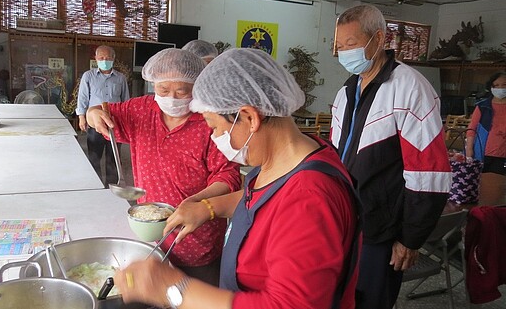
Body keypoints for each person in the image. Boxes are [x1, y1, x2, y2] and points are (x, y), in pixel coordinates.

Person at [111, 48, 360, 309]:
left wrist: (174, 288)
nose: (216, 139)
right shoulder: (288, 160)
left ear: (250, 117)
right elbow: (266, 201)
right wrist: (209, 208)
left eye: (216, 127)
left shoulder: (309, 197)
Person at [331, 4, 452, 309]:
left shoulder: (409, 88)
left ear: (379, 39)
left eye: (352, 44)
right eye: (340, 46)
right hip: (343, 221)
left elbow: (430, 174)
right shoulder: (346, 91)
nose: (345, 52)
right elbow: (336, 154)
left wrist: (411, 238)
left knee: (370, 301)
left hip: (380, 230)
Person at [86, 48, 241, 285]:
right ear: (153, 85)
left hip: (196, 238)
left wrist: (196, 202)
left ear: (197, 87)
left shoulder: (210, 120)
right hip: (150, 233)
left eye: (182, 91)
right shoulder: (141, 110)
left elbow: (228, 176)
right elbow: (98, 111)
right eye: (163, 90)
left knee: (193, 295)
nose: (172, 98)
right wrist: (93, 114)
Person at [76, 45, 130, 185]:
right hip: (95, 122)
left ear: (113, 59)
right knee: (94, 155)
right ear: (96, 59)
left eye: (108, 58)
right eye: (101, 58)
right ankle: (95, 184)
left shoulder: (120, 78)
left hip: (115, 123)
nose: (104, 60)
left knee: (113, 157)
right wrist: (81, 116)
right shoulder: (88, 76)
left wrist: (127, 122)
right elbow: (82, 98)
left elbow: (126, 100)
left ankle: (111, 186)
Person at [466, 72, 506, 175]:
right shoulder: (482, 106)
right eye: (496, 85)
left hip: (503, 156)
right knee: (483, 184)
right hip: (483, 153)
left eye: (504, 85)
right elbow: (472, 129)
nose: (500, 88)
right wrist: (469, 150)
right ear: (491, 87)